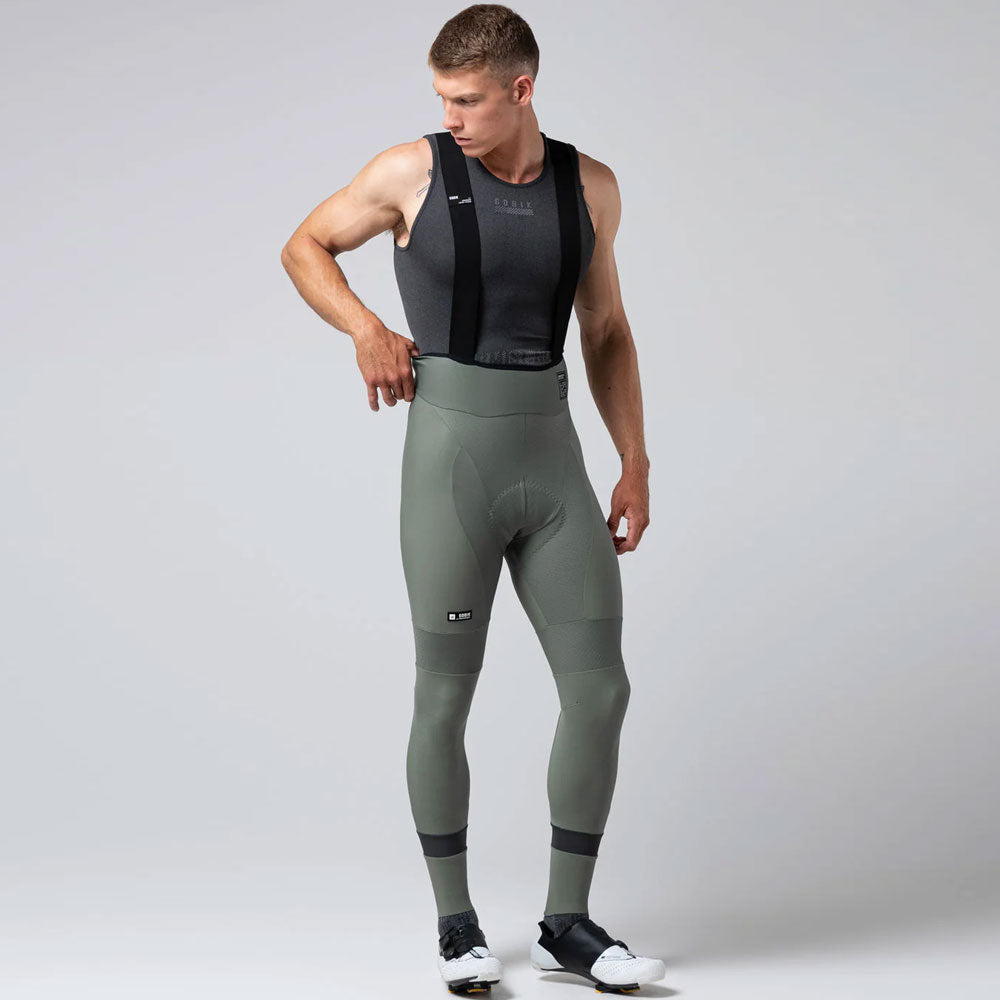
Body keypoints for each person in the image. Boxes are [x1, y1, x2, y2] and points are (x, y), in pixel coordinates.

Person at [281, 4, 662, 994]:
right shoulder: (410, 171)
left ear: (520, 91)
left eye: (467, 100)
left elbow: (607, 328)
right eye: (441, 97)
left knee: (601, 690)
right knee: (445, 693)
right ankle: (456, 924)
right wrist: (367, 327)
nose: (448, 116)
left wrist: (633, 459)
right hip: (451, 466)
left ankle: (566, 922)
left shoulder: (590, 185)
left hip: (554, 461)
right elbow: (305, 245)